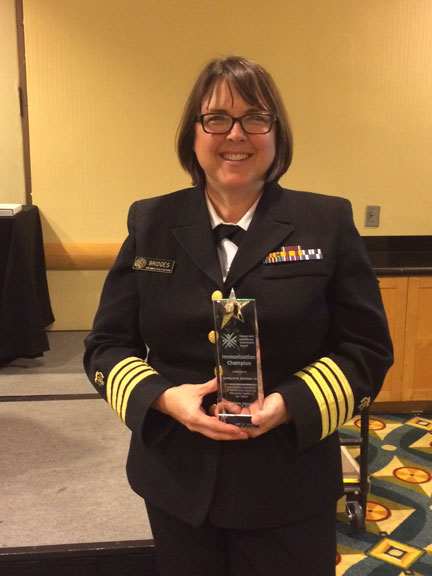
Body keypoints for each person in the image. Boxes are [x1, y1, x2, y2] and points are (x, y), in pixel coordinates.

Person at [84, 56, 393, 576]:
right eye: (217, 118)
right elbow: (106, 346)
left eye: (255, 118)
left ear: (276, 133)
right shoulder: (151, 221)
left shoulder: (325, 220)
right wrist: (166, 399)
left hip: (289, 479)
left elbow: (367, 350)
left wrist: (288, 406)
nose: (236, 134)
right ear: (193, 134)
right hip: (178, 481)